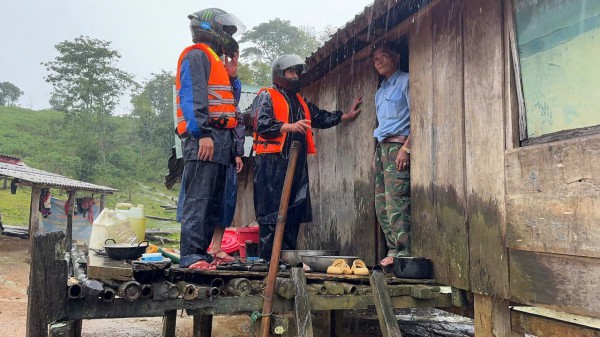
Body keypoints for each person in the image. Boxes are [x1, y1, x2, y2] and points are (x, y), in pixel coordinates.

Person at [252, 54, 363, 260]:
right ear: (280, 73)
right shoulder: (266, 95)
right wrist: (289, 127)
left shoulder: (300, 101)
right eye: (290, 72)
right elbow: (261, 123)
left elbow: (318, 117)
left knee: (294, 210)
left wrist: (343, 116)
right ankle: (269, 259)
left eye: (297, 72)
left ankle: (286, 258)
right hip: (272, 163)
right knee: (271, 212)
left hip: (297, 162)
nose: (295, 76)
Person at [175, 7, 245, 270]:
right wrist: (201, 133)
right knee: (199, 198)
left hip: (221, 139)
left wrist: (233, 76)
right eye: (225, 30)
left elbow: (229, 104)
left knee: (213, 200)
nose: (228, 36)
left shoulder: (217, 62)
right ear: (211, 29)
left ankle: (202, 253)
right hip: (206, 136)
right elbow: (192, 96)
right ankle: (191, 255)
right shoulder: (196, 55)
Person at [372, 41, 411, 267]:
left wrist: (407, 148)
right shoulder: (380, 91)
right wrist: (377, 153)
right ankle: (393, 249)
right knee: (381, 204)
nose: (377, 60)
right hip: (382, 148)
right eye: (375, 57)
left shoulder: (406, 81)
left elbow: (419, 115)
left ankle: (403, 254)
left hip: (399, 146)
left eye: (383, 55)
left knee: (397, 201)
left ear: (396, 57)